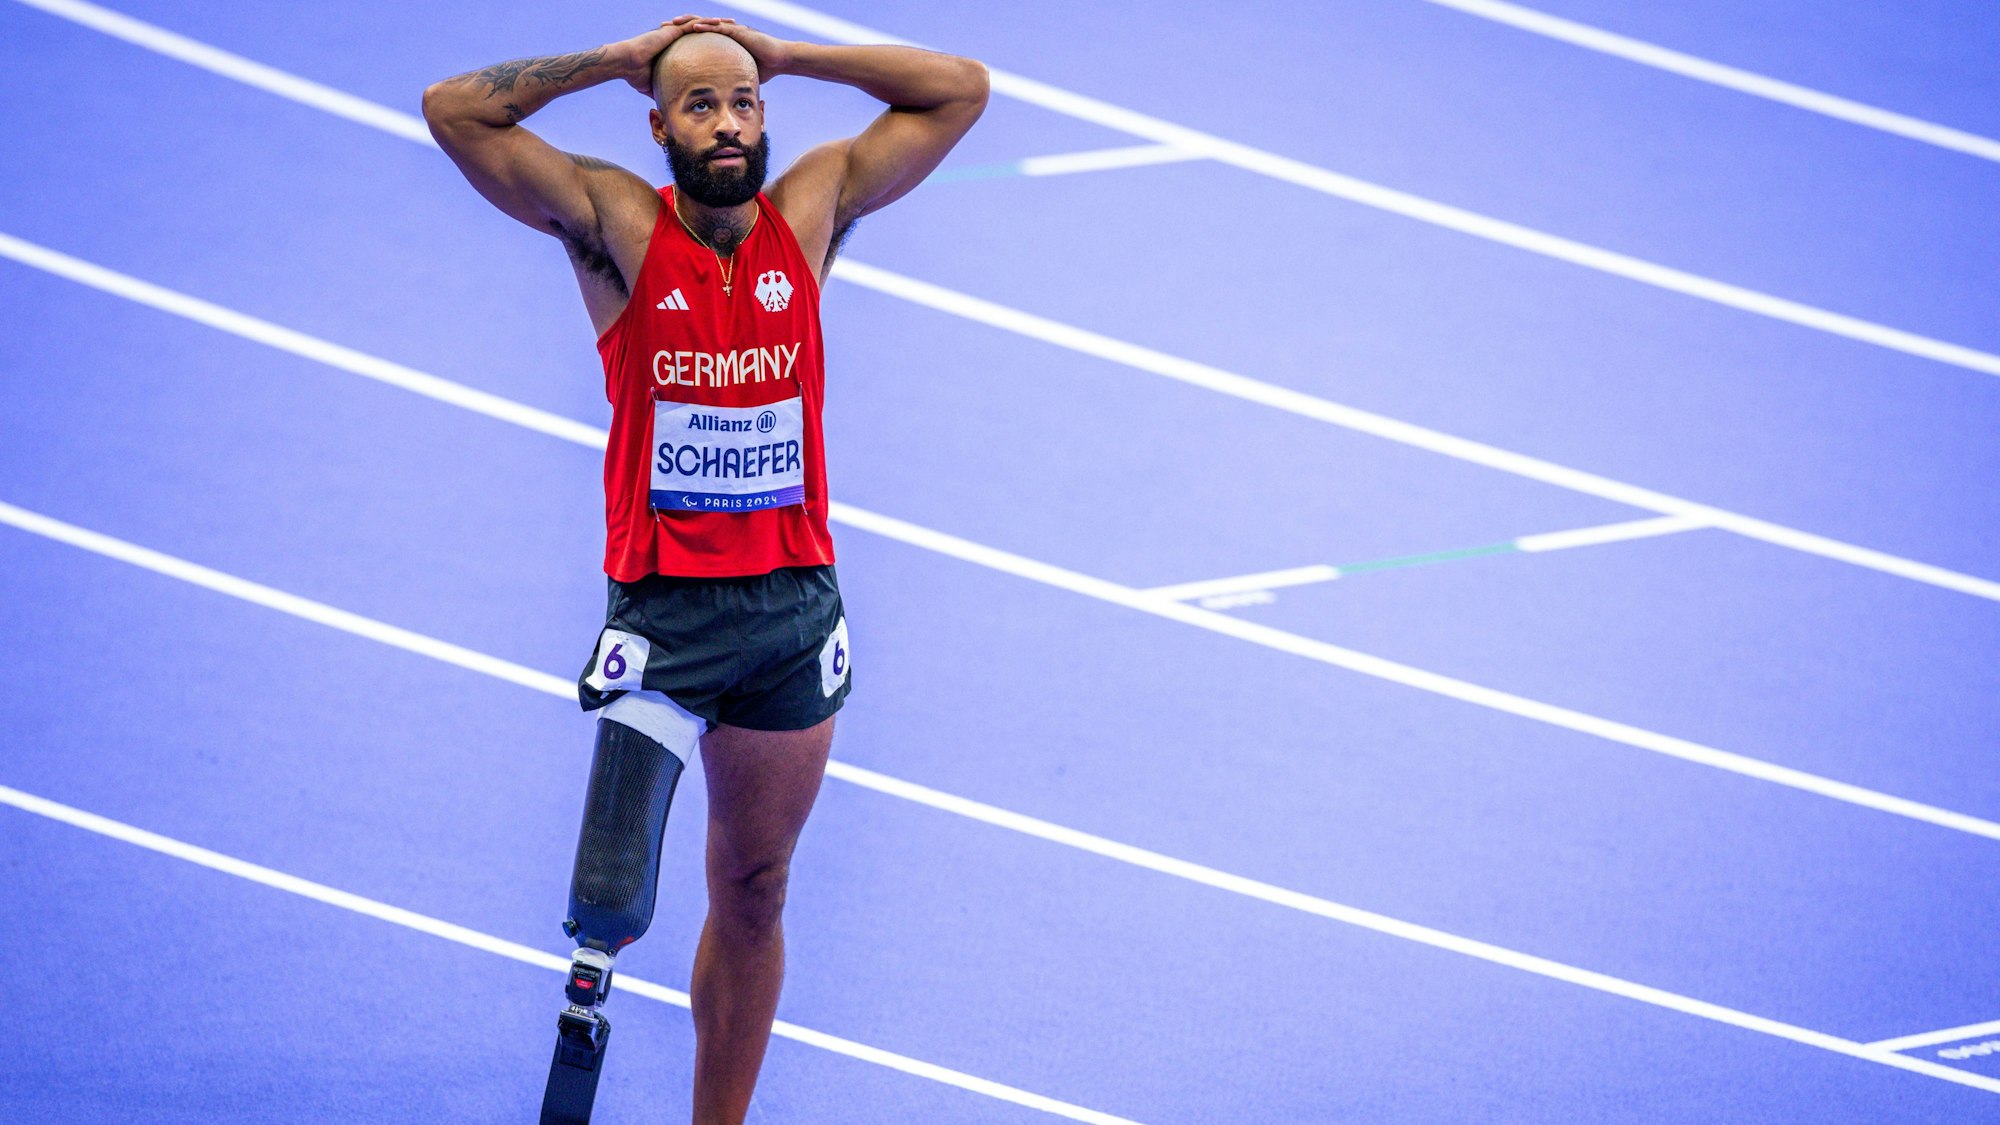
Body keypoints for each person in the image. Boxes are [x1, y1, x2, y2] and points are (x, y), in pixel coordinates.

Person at [420, 17, 987, 1123]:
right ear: (657, 123)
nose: (725, 124)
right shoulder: (617, 226)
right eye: (698, 105)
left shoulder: (810, 212)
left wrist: (785, 54)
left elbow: (957, 89)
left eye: (741, 104)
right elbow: (454, 110)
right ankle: (584, 1018)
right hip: (666, 612)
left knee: (754, 888)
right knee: (610, 899)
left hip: (788, 608)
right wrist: (612, 56)